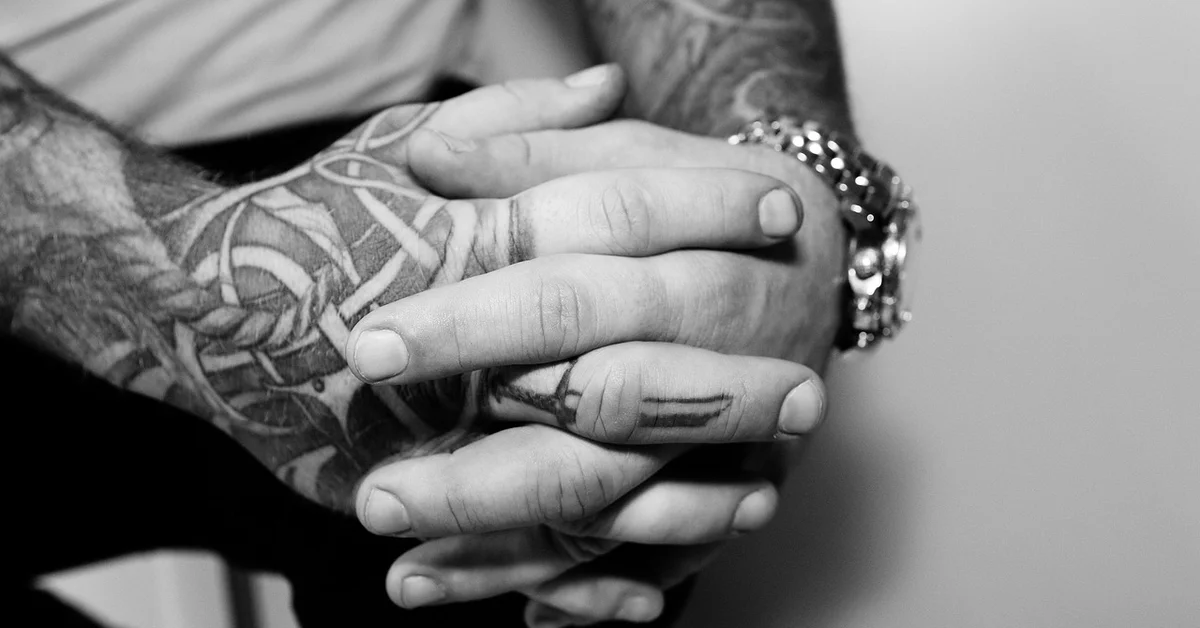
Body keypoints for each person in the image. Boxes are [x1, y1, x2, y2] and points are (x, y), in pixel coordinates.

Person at [2, 1, 915, 626]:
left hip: (387, 181)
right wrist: (179, 281)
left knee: (566, 516)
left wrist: (790, 208)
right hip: (102, 209)